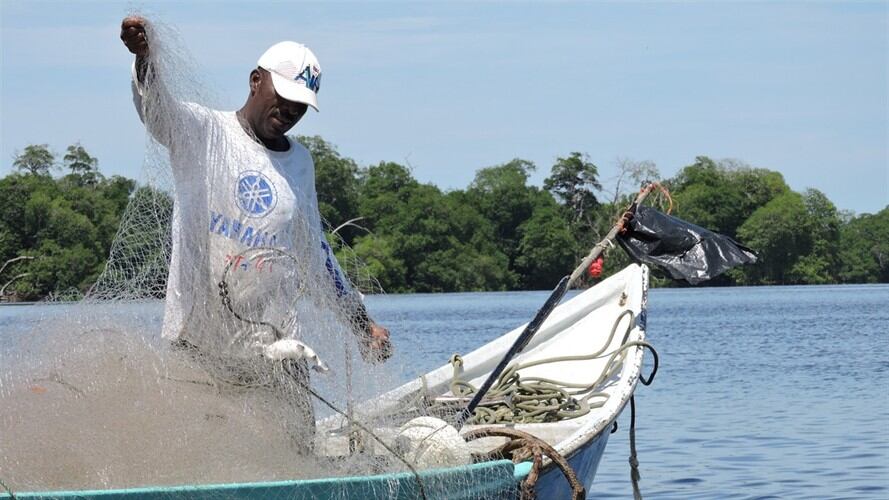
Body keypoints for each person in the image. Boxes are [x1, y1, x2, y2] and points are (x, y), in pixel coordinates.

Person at [119, 16, 391, 444]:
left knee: (295, 455)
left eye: (301, 105)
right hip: (199, 344)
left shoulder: (300, 163)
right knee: (203, 455)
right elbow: (158, 111)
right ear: (255, 81)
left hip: (279, 350)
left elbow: (316, 255)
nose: (290, 111)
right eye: (283, 97)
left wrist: (362, 326)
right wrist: (146, 61)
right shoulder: (204, 131)